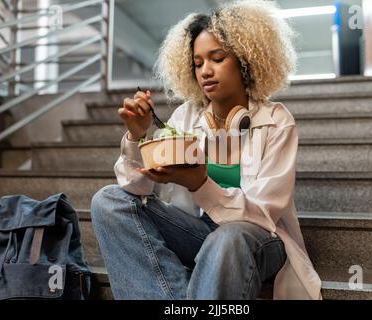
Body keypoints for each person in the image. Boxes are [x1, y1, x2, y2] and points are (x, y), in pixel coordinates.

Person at [91, 0, 321, 300]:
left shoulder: (276, 121)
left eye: (217, 58)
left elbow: (263, 213)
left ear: (244, 61)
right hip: (198, 231)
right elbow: (137, 187)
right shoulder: (185, 118)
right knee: (108, 201)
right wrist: (137, 137)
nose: (205, 71)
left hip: (258, 236)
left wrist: (200, 184)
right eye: (198, 63)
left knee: (228, 237)